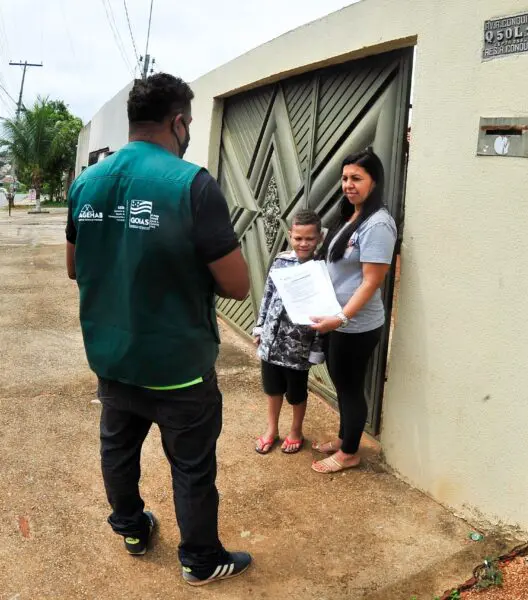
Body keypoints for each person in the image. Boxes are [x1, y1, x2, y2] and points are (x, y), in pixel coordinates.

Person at [65, 73, 252, 586]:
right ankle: (199, 559)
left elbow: (74, 268)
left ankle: (130, 529)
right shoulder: (193, 184)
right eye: (187, 123)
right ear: (178, 122)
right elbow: (237, 285)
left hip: (113, 360)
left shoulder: (86, 183)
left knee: (118, 451)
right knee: (192, 467)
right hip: (178, 369)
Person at [310, 148, 397, 474]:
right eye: (345, 178)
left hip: (356, 325)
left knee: (349, 387)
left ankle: (349, 453)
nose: (348, 184)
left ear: (374, 182)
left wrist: (342, 317)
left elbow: (372, 282)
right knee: (341, 383)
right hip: (336, 320)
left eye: (357, 178)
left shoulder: (378, 225)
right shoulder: (350, 216)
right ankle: (345, 437)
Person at [253, 209, 325, 455]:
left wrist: (317, 347)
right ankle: (271, 429)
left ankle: (296, 430)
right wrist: (260, 326)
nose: (303, 243)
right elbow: (268, 295)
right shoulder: (281, 261)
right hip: (272, 341)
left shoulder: (322, 268)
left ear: (319, 239)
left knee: (295, 394)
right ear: (290, 235)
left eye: (309, 239)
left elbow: (325, 310)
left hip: (299, 346)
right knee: (272, 389)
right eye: (298, 238)